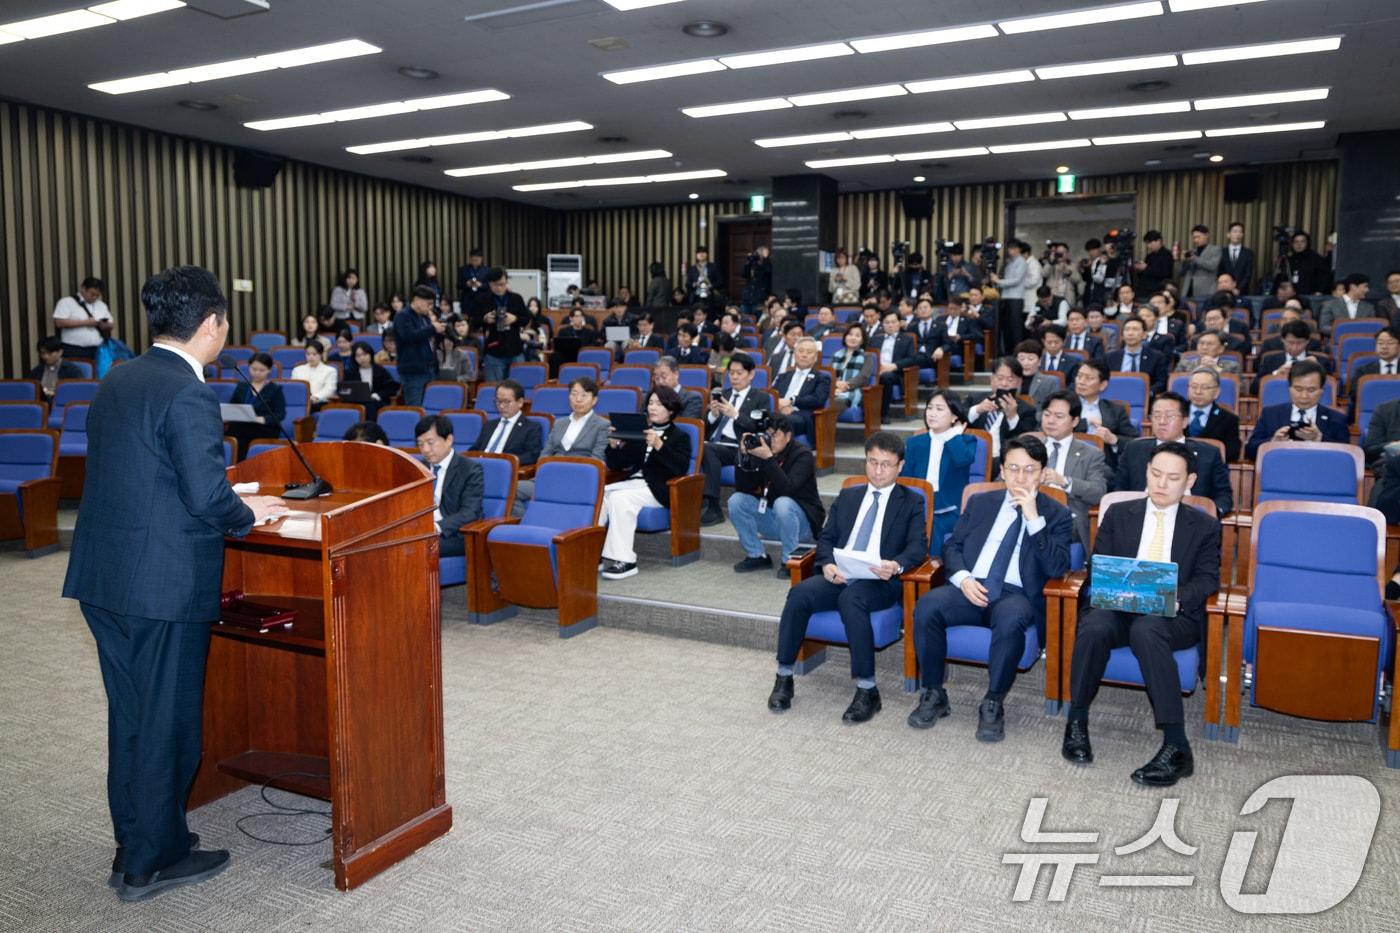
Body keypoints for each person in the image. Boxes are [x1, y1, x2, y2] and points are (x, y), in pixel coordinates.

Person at [62, 265, 286, 901]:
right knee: (168, 723)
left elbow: (142, 475)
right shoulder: (189, 392)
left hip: (105, 577)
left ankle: (137, 840)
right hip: (160, 586)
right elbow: (206, 496)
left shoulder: (118, 377)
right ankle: (151, 862)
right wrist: (250, 512)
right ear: (212, 324)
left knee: (132, 717)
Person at [1064, 442, 1220, 786]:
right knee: (1094, 626)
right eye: (1155, 474)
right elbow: (1099, 566)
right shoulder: (1120, 514)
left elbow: (1209, 578)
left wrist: (1179, 598)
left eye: (1173, 477)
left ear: (1189, 480)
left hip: (1172, 617)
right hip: (1120, 607)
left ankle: (1176, 744)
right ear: (1146, 473)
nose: (1162, 484)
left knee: (1147, 630)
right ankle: (1076, 720)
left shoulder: (1204, 525)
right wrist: (1109, 587)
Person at [907, 436, 1073, 741]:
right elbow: (953, 546)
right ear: (1002, 470)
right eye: (1014, 469)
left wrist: (1035, 519)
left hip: (1015, 595)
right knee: (927, 605)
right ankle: (933, 692)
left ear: (1042, 472)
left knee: (1011, 619)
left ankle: (993, 702)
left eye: (1030, 470)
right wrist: (963, 579)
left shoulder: (1058, 514)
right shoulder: (981, 502)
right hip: (970, 585)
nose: (1021, 477)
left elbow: (1056, 567)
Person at [767, 432, 928, 723]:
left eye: (886, 464)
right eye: (872, 462)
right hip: (841, 573)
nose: (878, 471)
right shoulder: (850, 495)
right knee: (800, 593)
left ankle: (868, 690)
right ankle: (784, 675)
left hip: (880, 580)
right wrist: (826, 564)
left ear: (900, 466)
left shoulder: (911, 502)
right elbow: (826, 538)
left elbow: (918, 548)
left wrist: (896, 565)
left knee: (852, 599)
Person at [599, 386, 693, 580]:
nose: (653, 407)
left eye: (659, 404)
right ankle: (593, 554)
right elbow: (619, 464)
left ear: (671, 409)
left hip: (658, 488)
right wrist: (614, 446)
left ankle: (626, 561)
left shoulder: (680, 436)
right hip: (634, 484)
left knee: (619, 498)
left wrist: (659, 445)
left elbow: (679, 469)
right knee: (600, 495)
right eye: (650, 403)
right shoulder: (641, 432)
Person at [729, 413, 823, 574]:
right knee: (736, 501)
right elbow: (744, 489)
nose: (770, 439)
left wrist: (769, 460)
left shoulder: (802, 455)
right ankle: (757, 555)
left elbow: (788, 489)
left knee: (783, 503)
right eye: (767, 435)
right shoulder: (762, 451)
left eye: (775, 435)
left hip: (802, 524)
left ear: (788, 436)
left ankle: (790, 561)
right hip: (773, 519)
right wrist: (744, 457)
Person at [1114, 392, 1233, 517]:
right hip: (1139, 516)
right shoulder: (1134, 449)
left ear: (1185, 421)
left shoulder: (1209, 453)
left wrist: (1210, 513)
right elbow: (1119, 489)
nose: (1162, 421)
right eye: (1156, 415)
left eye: (1169, 416)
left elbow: (1223, 496)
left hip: (1192, 520)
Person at [699, 354, 772, 526]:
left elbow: (758, 427)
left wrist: (736, 415)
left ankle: (714, 506)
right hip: (716, 444)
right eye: (731, 373)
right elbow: (704, 428)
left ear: (751, 374)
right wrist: (712, 415)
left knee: (708, 449)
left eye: (739, 373)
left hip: (740, 447)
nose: (735, 377)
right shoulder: (722, 394)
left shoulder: (760, 398)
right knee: (700, 446)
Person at [900, 391, 977, 548]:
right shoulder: (915, 443)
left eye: (940, 409)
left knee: (932, 523)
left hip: (951, 509)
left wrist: (953, 436)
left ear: (954, 416)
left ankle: (932, 566)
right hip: (919, 504)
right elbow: (905, 479)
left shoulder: (966, 441)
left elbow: (962, 459)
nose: (932, 414)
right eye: (930, 408)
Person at [1037, 391, 1112, 547]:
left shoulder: (1091, 454)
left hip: (1066, 518)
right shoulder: (1028, 446)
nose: (1050, 421)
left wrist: (1065, 482)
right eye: (1047, 414)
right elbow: (1002, 480)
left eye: (1059, 417)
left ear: (1075, 421)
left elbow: (1098, 492)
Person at [1245, 359, 1349, 459]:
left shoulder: (1337, 419)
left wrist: (1320, 439)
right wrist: (1273, 442)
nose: (1304, 396)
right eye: (1298, 389)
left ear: (1321, 390)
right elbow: (1250, 451)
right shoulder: (1270, 414)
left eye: (1311, 390)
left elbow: (1346, 457)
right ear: (1289, 388)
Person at [415, 414, 483, 558]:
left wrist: (436, 527)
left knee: (413, 548)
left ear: (449, 440)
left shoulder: (470, 469)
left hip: (453, 534)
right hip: (420, 531)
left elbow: (470, 513)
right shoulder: (418, 467)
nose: (425, 449)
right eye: (420, 444)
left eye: (430, 442)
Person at [966, 357, 1036, 464]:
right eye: (1000, 378)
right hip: (972, 457)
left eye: (1010, 379)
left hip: (1003, 461)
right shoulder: (974, 400)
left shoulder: (1026, 410)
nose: (1004, 383)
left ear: (1019, 382)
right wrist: (977, 410)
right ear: (992, 379)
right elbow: (956, 419)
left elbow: (1027, 440)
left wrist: (1012, 417)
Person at [1072, 359, 1139, 466]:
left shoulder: (1115, 410)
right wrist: (1085, 423)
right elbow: (1050, 428)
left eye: (1089, 378)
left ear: (1103, 385)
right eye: (1079, 376)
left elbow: (1134, 442)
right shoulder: (1063, 404)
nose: (1081, 382)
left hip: (1101, 467)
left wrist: (1113, 439)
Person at [469, 268, 527, 383]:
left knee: (517, 387)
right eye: (496, 285)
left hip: (515, 348)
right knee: (493, 388)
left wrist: (514, 319)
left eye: (502, 284)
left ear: (507, 282)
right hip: (494, 350)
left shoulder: (516, 298)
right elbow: (473, 321)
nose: (499, 288)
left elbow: (526, 319)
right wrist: (484, 319)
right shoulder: (481, 300)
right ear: (490, 284)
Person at [225, 352, 285, 459]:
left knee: (244, 434)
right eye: (254, 369)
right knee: (229, 433)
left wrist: (262, 419)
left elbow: (280, 414)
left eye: (262, 370)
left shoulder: (275, 390)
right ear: (249, 367)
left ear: (269, 370)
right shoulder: (242, 387)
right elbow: (232, 406)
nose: (257, 373)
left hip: (263, 428)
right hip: (241, 425)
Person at [393, 285, 445, 407]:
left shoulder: (425, 318)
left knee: (431, 406)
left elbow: (429, 339)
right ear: (416, 300)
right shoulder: (402, 316)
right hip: (413, 371)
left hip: (429, 368)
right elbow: (409, 336)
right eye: (428, 303)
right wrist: (432, 328)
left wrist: (440, 332)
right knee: (415, 408)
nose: (430, 307)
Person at [1250, 319, 1334, 394]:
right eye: (1290, 343)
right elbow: (1253, 389)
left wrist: (1318, 370)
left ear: (1307, 341)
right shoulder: (1270, 360)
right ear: (1282, 340)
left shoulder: (1321, 362)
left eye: (1299, 343)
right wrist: (1275, 374)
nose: (1295, 347)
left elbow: (1334, 389)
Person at [772, 338, 831, 443]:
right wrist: (781, 408)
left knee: (784, 421)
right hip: (779, 412)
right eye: (801, 351)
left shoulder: (822, 378)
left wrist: (792, 401)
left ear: (816, 357)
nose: (804, 355)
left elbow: (817, 399)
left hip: (802, 416)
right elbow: (773, 395)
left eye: (809, 352)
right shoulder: (783, 376)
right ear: (794, 354)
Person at [470, 380, 542, 466]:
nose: (501, 406)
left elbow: (532, 455)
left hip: (504, 471)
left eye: (507, 402)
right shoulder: (489, 425)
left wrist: (506, 463)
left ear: (520, 402)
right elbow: (474, 449)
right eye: (498, 401)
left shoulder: (531, 427)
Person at [1184, 366, 1241, 462]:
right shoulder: (1176, 412)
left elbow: (1232, 452)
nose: (1198, 392)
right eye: (1194, 386)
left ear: (1217, 392)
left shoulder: (1228, 419)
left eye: (1205, 387)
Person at [871, 309, 918, 422]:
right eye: (887, 322)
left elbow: (912, 359)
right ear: (883, 324)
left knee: (886, 377)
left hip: (896, 373)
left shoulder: (907, 339)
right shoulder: (874, 339)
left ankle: (884, 414)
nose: (890, 325)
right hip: (876, 371)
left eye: (893, 322)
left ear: (899, 323)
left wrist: (894, 366)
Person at [52, 276, 114, 360]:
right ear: (83, 289)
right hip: (73, 348)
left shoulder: (101, 305)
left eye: (97, 295)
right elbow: (59, 322)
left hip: (97, 348)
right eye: (92, 294)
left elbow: (111, 324)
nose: (94, 297)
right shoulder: (67, 302)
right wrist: (85, 323)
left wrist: (104, 324)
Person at [1106, 316, 1169, 393]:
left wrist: (1147, 393)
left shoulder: (1156, 357)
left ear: (1144, 335)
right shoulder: (1110, 357)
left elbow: (1161, 382)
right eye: (1127, 329)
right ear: (1122, 335)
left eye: (1135, 329)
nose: (1130, 333)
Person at [342, 340, 397, 418]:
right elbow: (345, 390)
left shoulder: (379, 370)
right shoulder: (350, 373)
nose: (362, 358)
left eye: (364, 354)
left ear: (370, 355)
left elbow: (391, 387)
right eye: (358, 356)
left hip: (376, 402)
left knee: (370, 404)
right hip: (356, 403)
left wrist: (377, 395)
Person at [830, 323, 875, 411]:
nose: (853, 338)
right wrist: (835, 384)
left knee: (835, 402)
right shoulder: (836, 355)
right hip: (834, 389)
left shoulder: (867, 356)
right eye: (850, 334)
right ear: (845, 337)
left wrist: (846, 386)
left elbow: (863, 376)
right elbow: (829, 374)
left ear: (862, 340)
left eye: (857, 336)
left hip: (854, 391)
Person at [993, 240, 1027, 354]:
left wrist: (999, 281)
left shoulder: (1021, 261)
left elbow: (1016, 280)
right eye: (1009, 249)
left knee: (1015, 328)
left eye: (1013, 249)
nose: (1010, 251)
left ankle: (1018, 352)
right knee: (1006, 327)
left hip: (1016, 298)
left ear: (1019, 249)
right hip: (1006, 297)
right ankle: (1008, 351)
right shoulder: (1009, 262)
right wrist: (997, 279)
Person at [1349, 326, 1400, 400]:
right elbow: (1354, 394)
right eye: (1380, 343)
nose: (1384, 347)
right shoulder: (1363, 371)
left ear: (1399, 347)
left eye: (1390, 343)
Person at [649, 356, 704, 421]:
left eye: (664, 377)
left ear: (676, 374)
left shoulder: (692, 399)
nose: (660, 382)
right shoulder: (650, 397)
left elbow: (686, 426)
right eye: (657, 378)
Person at [290, 341, 338, 412]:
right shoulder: (297, 370)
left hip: (319, 403)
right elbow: (294, 389)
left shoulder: (330, 371)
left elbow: (329, 389)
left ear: (321, 354)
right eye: (308, 354)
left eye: (314, 354)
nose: (310, 357)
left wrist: (315, 397)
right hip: (301, 403)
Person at [1178, 224, 1221, 300]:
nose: (1196, 240)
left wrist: (1194, 258)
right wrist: (1184, 261)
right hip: (1188, 288)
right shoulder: (1192, 251)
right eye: (1194, 237)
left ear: (1207, 235)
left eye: (1198, 237)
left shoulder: (1215, 249)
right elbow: (1181, 272)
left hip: (1206, 289)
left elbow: (1212, 266)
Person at [1281, 231, 1331, 296]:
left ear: (1307, 243)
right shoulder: (1289, 260)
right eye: (1296, 242)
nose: (1299, 244)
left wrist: (1319, 291)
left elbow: (1325, 277)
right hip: (1292, 296)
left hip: (1311, 297)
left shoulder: (1316, 259)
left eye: (1302, 242)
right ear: (1292, 244)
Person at [1013, 339, 1061, 406]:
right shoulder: (1010, 380)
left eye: (1031, 359)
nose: (1026, 363)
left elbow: (1053, 407)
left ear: (1039, 362)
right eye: (1021, 359)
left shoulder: (1050, 382)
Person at [1132, 230, 1173, 296]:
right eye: (1147, 243)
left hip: (1158, 288)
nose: (1148, 246)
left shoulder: (1167, 255)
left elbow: (1165, 273)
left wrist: (1146, 267)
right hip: (1145, 287)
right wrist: (1139, 269)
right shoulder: (1150, 256)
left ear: (1159, 241)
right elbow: (1144, 273)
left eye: (1150, 243)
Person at [1218, 222, 1255, 294]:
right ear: (1228, 234)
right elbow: (1219, 272)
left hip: (1242, 291)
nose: (1237, 234)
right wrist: (1227, 287)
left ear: (1242, 235)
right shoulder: (1221, 252)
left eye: (1240, 232)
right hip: (1224, 290)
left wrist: (1238, 289)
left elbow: (1248, 274)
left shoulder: (1248, 253)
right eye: (1235, 232)